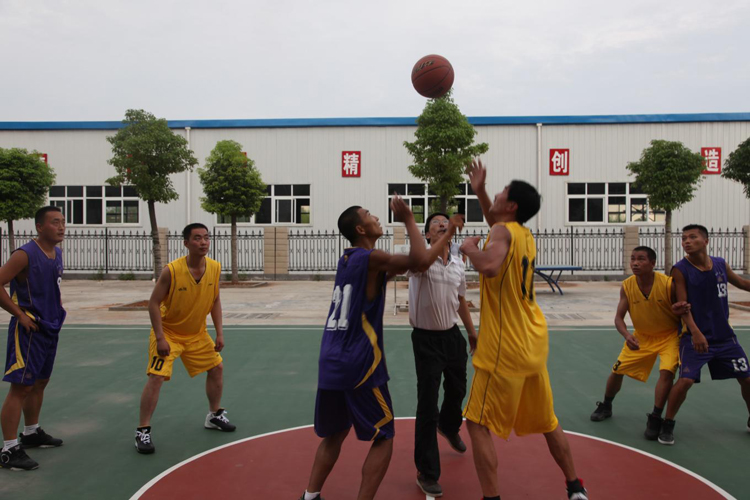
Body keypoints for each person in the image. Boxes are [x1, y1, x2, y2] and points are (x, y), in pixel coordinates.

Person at [300, 195, 463, 500]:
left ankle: (310, 495)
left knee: (336, 432)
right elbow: (421, 261)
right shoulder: (371, 258)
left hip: (331, 359)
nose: (376, 217)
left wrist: (438, 239)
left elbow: (399, 269)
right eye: (369, 215)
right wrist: (410, 219)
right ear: (361, 229)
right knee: (384, 435)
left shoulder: (349, 260)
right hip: (359, 363)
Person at [459, 159, 588, 500]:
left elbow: (489, 265)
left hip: (505, 346)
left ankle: (491, 497)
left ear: (512, 205)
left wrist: (469, 249)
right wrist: (481, 191)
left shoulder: (503, 233)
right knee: (548, 421)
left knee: (476, 423)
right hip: (532, 340)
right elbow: (497, 227)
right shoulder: (523, 234)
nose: (498, 193)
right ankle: (575, 487)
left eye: (502, 191)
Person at [134, 223, 234, 454]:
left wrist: (219, 332)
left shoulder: (215, 268)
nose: (203, 242)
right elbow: (153, 303)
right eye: (197, 238)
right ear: (186, 243)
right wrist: (160, 337)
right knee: (156, 376)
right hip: (168, 332)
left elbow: (215, 300)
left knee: (217, 367)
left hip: (197, 333)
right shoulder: (172, 271)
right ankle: (142, 430)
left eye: (206, 237)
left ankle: (214, 415)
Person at [659, 224, 750, 445]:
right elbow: (683, 306)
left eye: (692, 237)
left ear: (706, 241)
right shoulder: (680, 269)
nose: (686, 242)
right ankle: (667, 423)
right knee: (686, 380)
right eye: (684, 238)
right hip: (694, 337)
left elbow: (742, 283)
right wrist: (696, 333)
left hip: (725, 338)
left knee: (747, 378)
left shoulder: (720, 264)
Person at [408, 212, 477, 497]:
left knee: (458, 388)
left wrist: (471, 332)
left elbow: (460, 300)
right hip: (426, 340)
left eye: (444, 221)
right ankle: (427, 472)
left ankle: (448, 427)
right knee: (428, 405)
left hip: (452, 335)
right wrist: (448, 235)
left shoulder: (458, 263)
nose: (441, 223)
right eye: (435, 222)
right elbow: (421, 263)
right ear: (427, 234)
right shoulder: (421, 258)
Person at [590, 246, 684, 440]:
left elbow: (684, 311)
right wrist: (627, 335)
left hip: (669, 336)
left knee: (667, 372)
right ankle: (606, 405)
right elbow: (619, 318)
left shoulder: (668, 284)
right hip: (642, 337)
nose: (635, 263)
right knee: (617, 370)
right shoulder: (627, 285)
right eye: (632, 259)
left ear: (652, 263)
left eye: (641, 259)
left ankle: (656, 416)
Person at [0, 206, 66, 471]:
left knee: (40, 382)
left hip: (50, 327)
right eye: (55, 222)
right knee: (21, 387)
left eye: (63, 222)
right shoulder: (24, 254)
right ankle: (8, 449)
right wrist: (20, 315)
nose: (61, 227)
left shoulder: (57, 253)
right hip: (29, 329)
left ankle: (31, 432)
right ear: (39, 227)